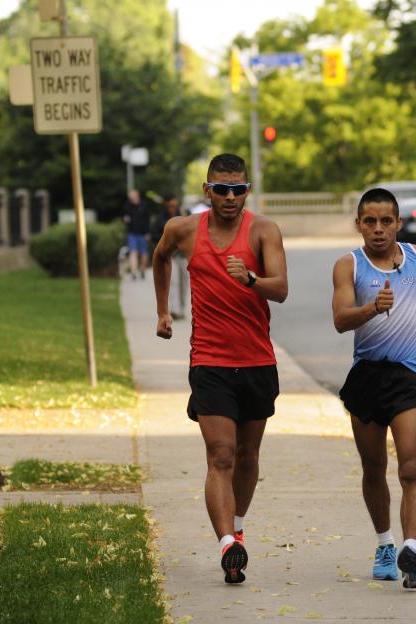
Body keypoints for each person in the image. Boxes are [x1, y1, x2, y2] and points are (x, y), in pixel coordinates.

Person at [152, 153, 288, 585]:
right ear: (207, 190)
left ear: (247, 191)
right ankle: (228, 543)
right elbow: (160, 257)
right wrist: (163, 311)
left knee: (248, 456)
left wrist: (250, 279)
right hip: (209, 360)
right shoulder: (183, 230)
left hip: (257, 360)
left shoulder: (264, 231)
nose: (231, 198)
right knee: (222, 454)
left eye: (238, 190)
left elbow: (281, 289)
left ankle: (238, 526)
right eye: (222, 190)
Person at [331, 187, 416, 590]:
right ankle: (385, 544)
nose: (378, 229)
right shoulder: (349, 265)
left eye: (386, 221)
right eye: (370, 222)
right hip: (366, 376)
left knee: (412, 468)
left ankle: (412, 549)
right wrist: (372, 308)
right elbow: (341, 320)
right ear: (359, 225)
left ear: (398, 223)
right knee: (373, 467)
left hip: (408, 375)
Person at [151, 193, 187, 319]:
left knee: (184, 282)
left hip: (183, 255)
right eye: (170, 205)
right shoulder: (160, 219)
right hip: (170, 256)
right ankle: (175, 309)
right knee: (174, 281)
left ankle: (181, 309)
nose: (173, 206)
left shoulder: (183, 215)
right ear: (166, 204)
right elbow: (154, 236)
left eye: (174, 204)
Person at [123, 189, 151, 279]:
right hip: (132, 233)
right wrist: (125, 219)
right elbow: (124, 216)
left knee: (143, 253)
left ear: (137, 195)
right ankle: (134, 272)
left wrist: (148, 233)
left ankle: (142, 269)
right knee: (133, 251)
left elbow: (147, 220)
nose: (130, 197)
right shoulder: (127, 206)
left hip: (143, 233)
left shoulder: (144, 205)